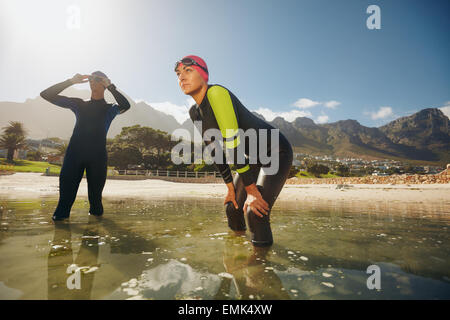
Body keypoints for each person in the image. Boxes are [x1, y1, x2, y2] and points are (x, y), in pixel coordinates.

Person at [175, 55, 293, 248]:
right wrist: (230, 187)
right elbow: (214, 148)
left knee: (254, 211)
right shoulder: (194, 112)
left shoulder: (217, 93)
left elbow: (232, 142)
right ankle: (236, 254)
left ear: (204, 75)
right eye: (179, 73)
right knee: (233, 207)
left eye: (188, 70)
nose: (182, 77)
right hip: (252, 156)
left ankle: (259, 268)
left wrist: (252, 191)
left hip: (276, 150)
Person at [40, 71, 131, 221]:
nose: (92, 81)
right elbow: (46, 94)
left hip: (98, 158)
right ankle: (60, 239)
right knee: (63, 205)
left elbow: (125, 106)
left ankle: (94, 234)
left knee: (96, 204)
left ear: (104, 82)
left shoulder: (110, 108)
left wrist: (111, 87)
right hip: (74, 156)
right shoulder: (79, 104)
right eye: (90, 78)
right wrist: (70, 81)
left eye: (97, 79)